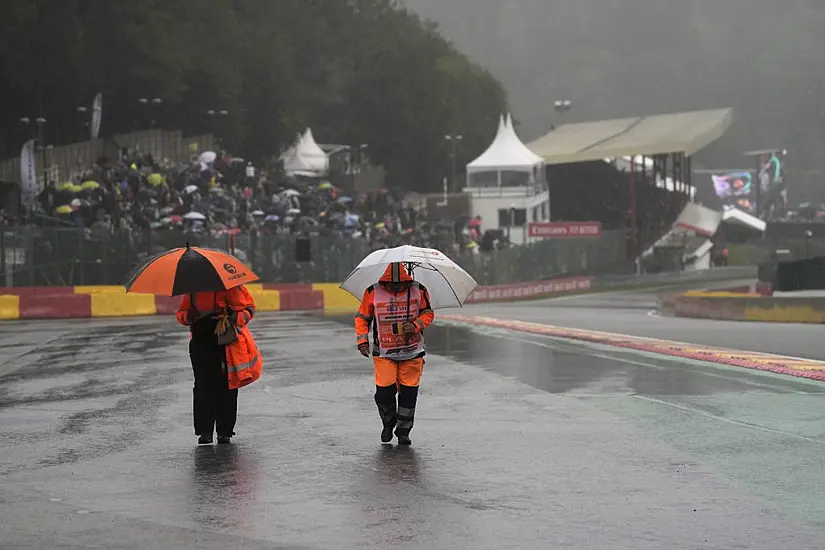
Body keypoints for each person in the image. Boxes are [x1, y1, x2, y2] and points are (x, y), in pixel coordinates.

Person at [354, 262, 435, 445]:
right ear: (385, 282)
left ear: (406, 281)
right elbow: (362, 318)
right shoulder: (372, 292)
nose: (396, 288)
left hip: (412, 352)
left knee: (408, 393)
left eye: (400, 285)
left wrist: (415, 325)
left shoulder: (419, 289)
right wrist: (362, 341)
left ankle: (404, 431)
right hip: (383, 352)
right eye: (392, 285)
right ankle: (388, 424)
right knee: (384, 392)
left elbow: (428, 313)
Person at [176, 285, 262, 445]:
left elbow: (249, 310)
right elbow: (181, 315)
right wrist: (189, 316)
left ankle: (224, 432)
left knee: (226, 386)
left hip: (225, 343)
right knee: (203, 386)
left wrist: (232, 318)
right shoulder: (192, 291)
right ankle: (205, 432)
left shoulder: (232, 288)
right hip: (201, 343)